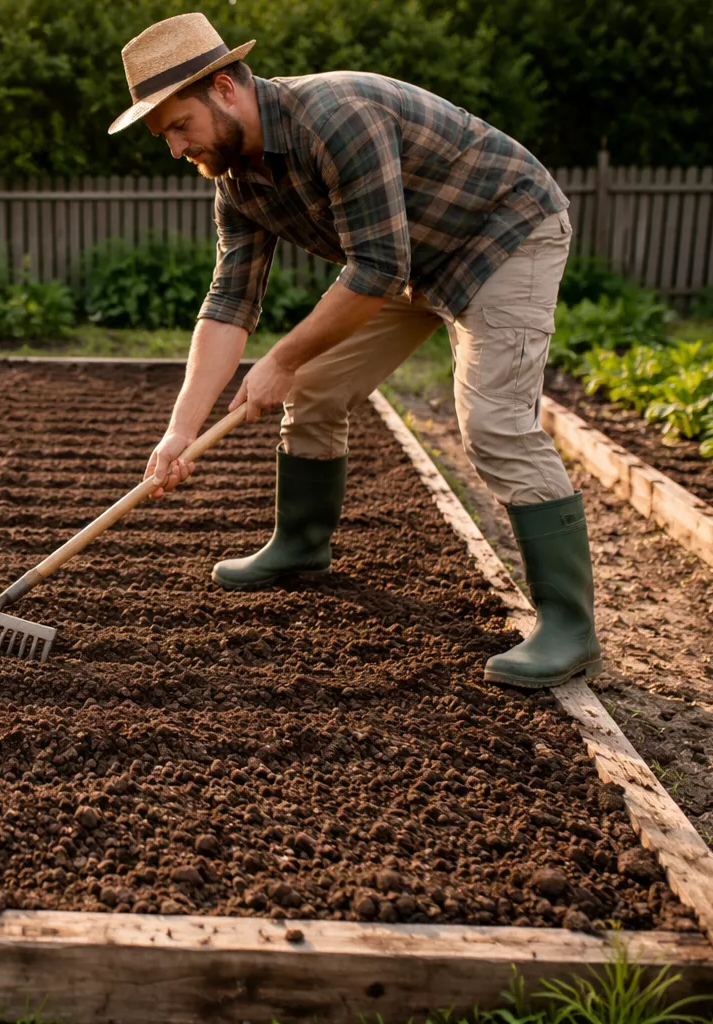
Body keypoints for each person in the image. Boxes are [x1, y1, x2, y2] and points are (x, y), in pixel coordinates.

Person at [113, 13, 600, 690]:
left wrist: (281, 359)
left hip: (502, 232)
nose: (172, 147)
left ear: (225, 89)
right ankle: (301, 546)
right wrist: (179, 431)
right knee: (314, 387)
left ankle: (569, 627)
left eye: (176, 125)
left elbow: (373, 268)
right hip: (409, 261)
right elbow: (229, 303)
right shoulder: (234, 180)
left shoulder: (336, 117)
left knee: (493, 423)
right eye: (162, 134)